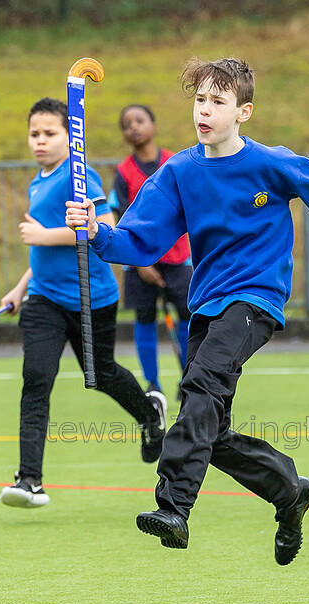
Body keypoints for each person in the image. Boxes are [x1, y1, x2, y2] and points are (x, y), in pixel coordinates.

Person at [66, 58, 309, 565]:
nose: (204, 111)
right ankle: (288, 491)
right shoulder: (179, 172)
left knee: (201, 385)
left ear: (243, 111)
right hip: (207, 303)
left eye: (217, 102)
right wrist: (97, 231)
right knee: (210, 427)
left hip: (256, 299)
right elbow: (139, 241)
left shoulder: (272, 164)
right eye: (199, 100)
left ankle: (175, 506)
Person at [0, 97, 168, 510]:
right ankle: (29, 480)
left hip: (93, 298)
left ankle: (150, 415)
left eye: (50, 133)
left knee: (102, 375)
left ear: (68, 137)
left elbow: (103, 227)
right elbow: (42, 253)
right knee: (37, 377)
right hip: (44, 299)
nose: (40, 141)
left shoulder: (80, 177)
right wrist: (21, 287)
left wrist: (44, 236)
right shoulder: (38, 181)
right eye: (34, 133)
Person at [110, 104, 192, 394]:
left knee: (186, 318)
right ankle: (152, 385)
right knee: (144, 318)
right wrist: (141, 264)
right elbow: (120, 219)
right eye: (126, 123)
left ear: (154, 126)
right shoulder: (123, 173)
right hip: (139, 264)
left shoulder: (175, 163)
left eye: (140, 120)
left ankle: (189, 379)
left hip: (177, 259)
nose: (133, 127)